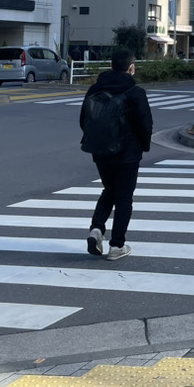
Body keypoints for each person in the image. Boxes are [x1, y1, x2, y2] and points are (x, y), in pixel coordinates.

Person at [80, 47, 154, 261]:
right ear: (131, 68)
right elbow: (145, 124)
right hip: (127, 153)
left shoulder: (94, 89)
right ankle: (117, 246)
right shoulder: (135, 92)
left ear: (111, 66)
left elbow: (84, 121)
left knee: (109, 190)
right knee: (124, 198)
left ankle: (96, 229)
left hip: (100, 151)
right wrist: (143, 146)